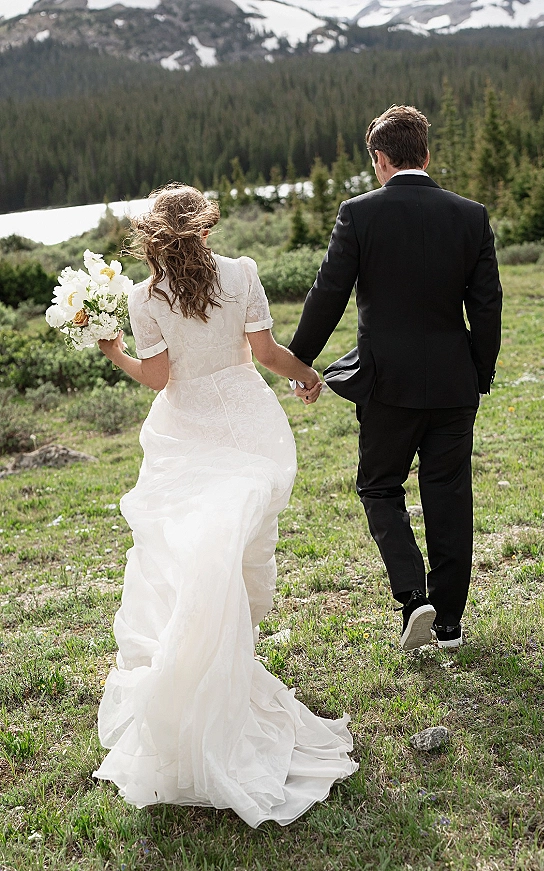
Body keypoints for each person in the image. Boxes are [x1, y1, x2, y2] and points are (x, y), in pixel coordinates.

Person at [93, 184, 357, 827]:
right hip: (244, 424)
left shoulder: (143, 297)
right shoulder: (241, 275)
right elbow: (265, 354)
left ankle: (204, 666)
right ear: (204, 229)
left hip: (187, 431)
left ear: (155, 240)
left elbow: (160, 379)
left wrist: (113, 353)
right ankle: (222, 660)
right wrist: (305, 376)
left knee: (189, 554)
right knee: (234, 549)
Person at [288, 105, 502, 652]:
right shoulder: (471, 216)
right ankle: (449, 623)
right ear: (426, 155)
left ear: (379, 159)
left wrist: (300, 363)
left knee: (380, 485)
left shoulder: (359, 214)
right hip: (454, 383)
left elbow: (328, 293)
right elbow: (487, 305)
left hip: (387, 385)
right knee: (449, 497)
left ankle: (414, 598)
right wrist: (478, 371)